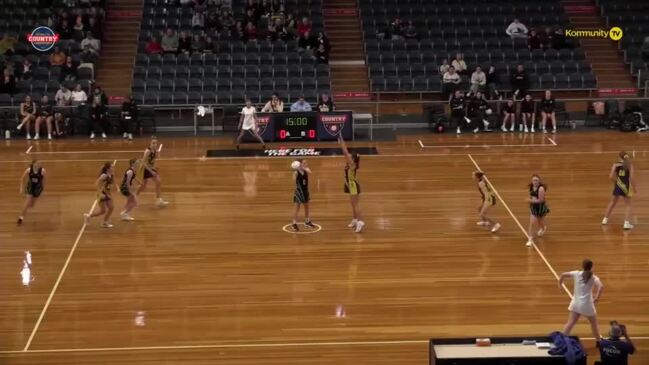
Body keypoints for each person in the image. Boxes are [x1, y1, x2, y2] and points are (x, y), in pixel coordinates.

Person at [559, 259, 604, 340]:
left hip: (575, 304)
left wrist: (560, 284)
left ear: (582, 266)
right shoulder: (594, 278)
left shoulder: (576, 273)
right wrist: (597, 297)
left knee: (570, 323)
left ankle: (562, 340)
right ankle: (599, 341)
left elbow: (563, 275)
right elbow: (601, 286)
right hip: (587, 305)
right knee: (594, 324)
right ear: (592, 267)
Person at [602, 152, 636, 229]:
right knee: (628, 205)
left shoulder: (615, 165)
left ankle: (605, 219)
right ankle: (626, 223)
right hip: (626, 187)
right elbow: (631, 178)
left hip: (618, 186)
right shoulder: (630, 165)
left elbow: (611, 176)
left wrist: (617, 182)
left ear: (620, 158)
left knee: (612, 203)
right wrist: (634, 188)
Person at [338, 134, 365, 233]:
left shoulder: (352, 164)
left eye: (350, 156)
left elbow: (345, 152)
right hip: (349, 185)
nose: (349, 156)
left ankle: (360, 221)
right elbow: (346, 153)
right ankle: (355, 220)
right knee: (352, 204)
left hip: (353, 185)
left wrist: (341, 141)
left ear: (353, 159)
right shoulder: (351, 163)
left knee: (356, 204)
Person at [136, 137, 169, 207]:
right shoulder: (147, 151)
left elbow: (153, 161)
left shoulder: (155, 150)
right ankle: (158, 200)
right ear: (150, 143)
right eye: (153, 143)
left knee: (153, 183)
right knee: (153, 183)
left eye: (156, 143)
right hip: (145, 169)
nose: (155, 144)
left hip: (150, 168)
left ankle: (158, 200)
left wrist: (155, 167)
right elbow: (143, 162)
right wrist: (151, 171)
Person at [84, 162, 115, 228]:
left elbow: (110, 183)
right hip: (101, 194)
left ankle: (104, 222)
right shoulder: (104, 175)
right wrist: (100, 194)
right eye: (112, 167)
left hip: (107, 193)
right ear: (108, 168)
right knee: (103, 211)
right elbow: (97, 183)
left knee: (111, 208)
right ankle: (89, 216)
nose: (113, 168)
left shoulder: (111, 174)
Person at [17, 160, 46, 225]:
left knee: (32, 205)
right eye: (36, 163)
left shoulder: (43, 171)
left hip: (37, 188)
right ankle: (21, 218)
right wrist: (21, 188)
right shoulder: (29, 170)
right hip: (30, 187)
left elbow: (44, 180)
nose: (38, 165)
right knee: (27, 203)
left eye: (39, 163)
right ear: (33, 164)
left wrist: (42, 189)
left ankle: (25, 209)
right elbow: (22, 179)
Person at [290, 159, 316, 232]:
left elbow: (310, 172)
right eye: (304, 163)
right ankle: (294, 223)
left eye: (306, 163)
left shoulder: (306, 169)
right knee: (297, 208)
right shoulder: (296, 172)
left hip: (305, 191)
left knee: (306, 207)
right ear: (299, 164)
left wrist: (303, 168)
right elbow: (293, 179)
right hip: (299, 191)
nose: (305, 164)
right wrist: (294, 172)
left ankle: (307, 221)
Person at [526, 174, 549, 247]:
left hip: (540, 207)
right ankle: (530, 239)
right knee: (532, 223)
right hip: (533, 208)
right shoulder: (531, 187)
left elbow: (540, 200)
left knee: (540, 221)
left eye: (536, 180)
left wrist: (530, 201)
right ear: (531, 181)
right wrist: (530, 203)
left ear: (539, 181)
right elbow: (531, 196)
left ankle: (543, 228)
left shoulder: (541, 188)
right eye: (533, 180)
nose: (535, 181)